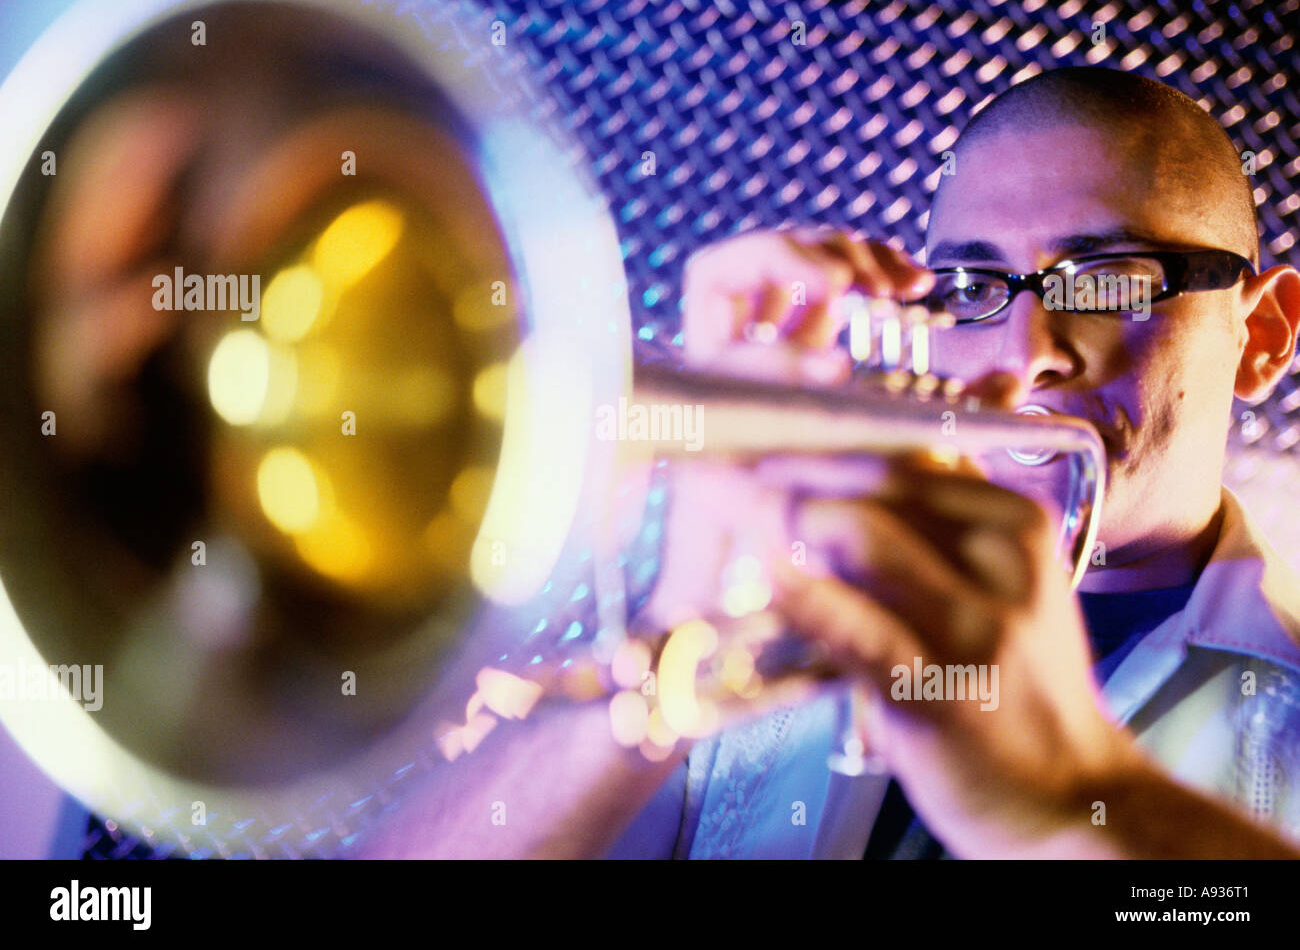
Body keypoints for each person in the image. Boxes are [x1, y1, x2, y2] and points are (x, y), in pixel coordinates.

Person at [354, 66, 1300, 859]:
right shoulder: (788, 617)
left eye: (1106, 279)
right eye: (972, 286)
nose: (1023, 352)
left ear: (1262, 335)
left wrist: (1073, 798)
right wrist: (675, 630)